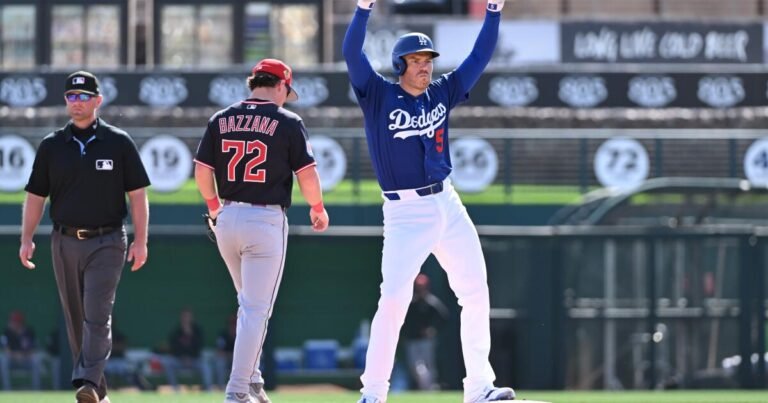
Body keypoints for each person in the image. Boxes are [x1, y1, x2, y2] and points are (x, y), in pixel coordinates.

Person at [342, 1, 515, 402]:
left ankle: (479, 388)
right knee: (394, 301)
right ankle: (373, 393)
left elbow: (479, 56)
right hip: (405, 211)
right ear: (399, 64)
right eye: (416, 59)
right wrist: (363, 9)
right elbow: (352, 53)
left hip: (447, 203)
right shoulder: (377, 95)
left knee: (475, 291)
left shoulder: (443, 92)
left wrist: (493, 10)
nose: (425, 66)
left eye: (428, 59)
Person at [193, 58, 329, 403]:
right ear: (281, 85)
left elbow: (202, 170)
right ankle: (238, 389)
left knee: (247, 305)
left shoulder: (221, 118)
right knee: (256, 310)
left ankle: (252, 381)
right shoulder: (287, 121)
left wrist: (213, 208)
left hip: (227, 218)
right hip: (264, 221)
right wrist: (317, 207)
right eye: (287, 90)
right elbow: (308, 176)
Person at [19, 70, 150, 403]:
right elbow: (36, 196)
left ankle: (87, 382)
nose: (77, 103)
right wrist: (26, 238)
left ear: (98, 100)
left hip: (107, 241)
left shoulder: (118, 142)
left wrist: (141, 240)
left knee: (97, 312)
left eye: (83, 96)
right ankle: (96, 393)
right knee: (75, 317)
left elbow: (137, 194)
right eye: (71, 97)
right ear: (66, 102)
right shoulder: (51, 146)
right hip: (63, 240)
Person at [402, 273, 448, 391]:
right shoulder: (410, 303)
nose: (420, 290)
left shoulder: (431, 302)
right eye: (418, 287)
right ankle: (424, 387)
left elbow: (444, 317)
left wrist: (432, 329)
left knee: (428, 366)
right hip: (412, 340)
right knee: (414, 367)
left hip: (426, 341)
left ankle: (429, 389)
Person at [162, 309, 213, 391]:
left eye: (188, 317)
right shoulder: (176, 331)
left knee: (205, 365)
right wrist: (182, 357)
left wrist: (190, 334)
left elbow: (199, 347)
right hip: (180, 360)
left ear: (191, 318)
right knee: (168, 362)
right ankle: (175, 389)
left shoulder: (197, 330)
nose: (186, 319)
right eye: (184, 317)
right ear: (181, 318)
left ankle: (208, 390)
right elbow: (173, 348)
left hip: (194, 360)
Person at [0, 311, 42, 390]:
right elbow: (6, 351)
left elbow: (34, 349)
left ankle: (36, 389)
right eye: (12, 321)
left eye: (15, 322)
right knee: (3, 360)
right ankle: (7, 389)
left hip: (26, 360)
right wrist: (17, 355)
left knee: (36, 359)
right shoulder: (7, 332)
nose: (12, 324)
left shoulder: (29, 332)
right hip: (12, 361)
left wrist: (23, 355)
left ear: (20, 323)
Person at [214, 314, 237, 389]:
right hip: (226, 360)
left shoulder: (241, 335)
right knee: (220, 362)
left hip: (238, 361)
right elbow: (219, 352)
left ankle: (242, 389)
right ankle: (221, 387)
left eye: (235, 323)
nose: (233, 326)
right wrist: (230, 355)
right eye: (231, 323)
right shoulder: (223, 335)